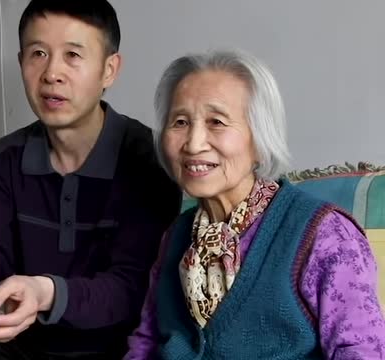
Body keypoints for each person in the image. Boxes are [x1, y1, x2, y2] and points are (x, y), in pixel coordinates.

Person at [0, 0, 182, 359]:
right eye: (38, 53)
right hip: (20, 348)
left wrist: (46, 292)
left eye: (73, 55)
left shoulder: (148, 161)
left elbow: (132, 288)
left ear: (109, 70)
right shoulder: (7, 157)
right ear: (21, 63)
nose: (52, 73)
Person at [125, 49, 385, 359]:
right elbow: (146, 343)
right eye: (180, 122)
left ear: (260, 141)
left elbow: (360, 351)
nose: (193, 143)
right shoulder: (176, 237)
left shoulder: (325, 235)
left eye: (216, 122)